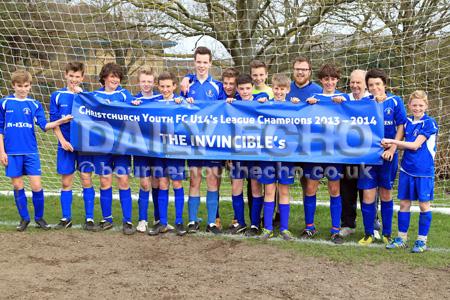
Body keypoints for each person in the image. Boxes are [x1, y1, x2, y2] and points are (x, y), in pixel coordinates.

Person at [0, 69, 73, 231]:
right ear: (13, 85)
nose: (22, 89)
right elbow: (0, 130)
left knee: (36, 186)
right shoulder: (4, 103)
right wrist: (2, 152)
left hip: (31, 152)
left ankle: (39, 218)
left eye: (26, 86)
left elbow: (44, 126)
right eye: (19, 86)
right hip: (11, 153)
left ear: (30, 86)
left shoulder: (35, 104)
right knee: (18, 186)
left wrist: (61, 120)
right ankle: (24, 219)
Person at [383, 90, 437, 253]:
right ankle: (401, 238)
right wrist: (389, 147)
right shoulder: (406, 122)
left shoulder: (429, 123)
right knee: (404, 203)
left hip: (424, 171)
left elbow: (414, 145)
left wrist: (392, 142)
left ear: (426, 106)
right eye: (414, 105)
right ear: (409, 106)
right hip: (406, 169)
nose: (417, 108)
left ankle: (421, 240)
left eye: (421, 105)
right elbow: (398, 140)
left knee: (423, 205)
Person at [358, 68, 407, 245]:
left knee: (386, 193)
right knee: (368, 195)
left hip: (388, 156)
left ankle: (387, 233)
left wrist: (393, 149)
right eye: (371, 85)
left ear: (384, 84)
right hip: (368, 157)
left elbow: (401, 126)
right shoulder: (364, 102)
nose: (374, 88)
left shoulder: (395, 101)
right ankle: (368, 233)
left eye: (377, 84)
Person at [302, 64, 350, 244]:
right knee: (310, 188)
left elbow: (357, 115)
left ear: (337, 80)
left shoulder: (344, 98)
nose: (329, 82)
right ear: (321, 80)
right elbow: (299, 116)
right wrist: (306, 106)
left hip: (335, 153)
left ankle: (335, 229)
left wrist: (345, 104)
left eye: (333, 79)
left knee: (334, 189)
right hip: (315, 152)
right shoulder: (313, 98)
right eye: (326, 79)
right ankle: (309, 227)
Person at [49, 61, 98, 231]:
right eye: (71, 76)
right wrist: (62, 141)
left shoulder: (88, 96)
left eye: (77, 77)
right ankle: (66, 217)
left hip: (84, 146)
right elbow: (54, 122)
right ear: (65, 75)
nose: (74, 79)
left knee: (86, 179)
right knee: (66, 181)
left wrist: (83, 96)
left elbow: (95, 119)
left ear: (82, 77)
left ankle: (89, 218)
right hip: (65, 144)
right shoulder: (56, 95)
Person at [182, 46, 225, 234]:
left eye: (205, 62)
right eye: (198, 62)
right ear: (194, 62)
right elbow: (178, 109)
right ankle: (192, 221)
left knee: (213, 181)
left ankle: (211, 222)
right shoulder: (187, 85)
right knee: (194, 181)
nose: (201, 65)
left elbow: (226, 111)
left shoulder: (217, 86)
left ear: (210, 63)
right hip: (193, 142)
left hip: (213, 143)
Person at [139, 72, 188, 236]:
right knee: (162, 184)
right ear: (158, 87)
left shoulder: (180, 102)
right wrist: (135, 104)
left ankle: (179, 222)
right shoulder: (153, 103)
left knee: (177, 184)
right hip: (158, 151)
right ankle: (163, 222)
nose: (165, 89)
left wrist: (186, 101)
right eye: (162, 86)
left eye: (169, 86)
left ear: (174, 86)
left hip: (176, 151)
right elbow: (138, 110)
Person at [92, 62, 136, 235]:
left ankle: (128, 220)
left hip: (121, 146)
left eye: (117, 77)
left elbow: (136, 110)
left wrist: (136, 104)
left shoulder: (124, 95)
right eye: (112, 76)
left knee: (123, 181)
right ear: (104, 78)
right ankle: (107, 218)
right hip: (102, 147)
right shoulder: (94, 96)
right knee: (104, 181)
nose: (115, 80)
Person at [339, 69, 381, 239]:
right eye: (352, 82)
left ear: (365, 84)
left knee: (369, 192)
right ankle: (348, 224)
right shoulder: (342, 100)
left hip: (368, 156)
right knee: (347, 191)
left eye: (359, 82)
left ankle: (372, 225)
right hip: (346, 155)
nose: (355, 85)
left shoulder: (373, 101)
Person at [226, 74, 267, 235]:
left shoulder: (260, 102)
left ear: (252, 88)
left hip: (255, 153)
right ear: (237, 89)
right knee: (236, 186)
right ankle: (240, 222)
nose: (244, 91)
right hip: (237, 153)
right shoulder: (232, 104)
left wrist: (263, 102)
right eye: (241, 89)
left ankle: (255, 224)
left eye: (247, 88)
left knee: (256, 187)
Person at [258, 74, 296, 240]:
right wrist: (258, 104)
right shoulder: (265, 105)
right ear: (272, 88)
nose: (279, 92)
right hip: (268, 156)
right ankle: (267, 228)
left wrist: (299, 105)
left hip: (286, 157)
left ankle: (284, 228)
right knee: (269, 191)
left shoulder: (294, 107)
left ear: (287, 89)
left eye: (282, 89)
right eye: (276, 88)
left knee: (284, 191)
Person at [132, 66, 169, 233]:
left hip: (158, 148)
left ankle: (159, 218)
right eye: (143, 81)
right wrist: (131, 107)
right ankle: (142, 220)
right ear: (138, 82)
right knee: (145, 183)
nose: (146, 84)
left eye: (149, 81)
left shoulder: (160, 99)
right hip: (140, 149)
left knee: (157, 182)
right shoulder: (133, 100)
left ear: (154, 83)